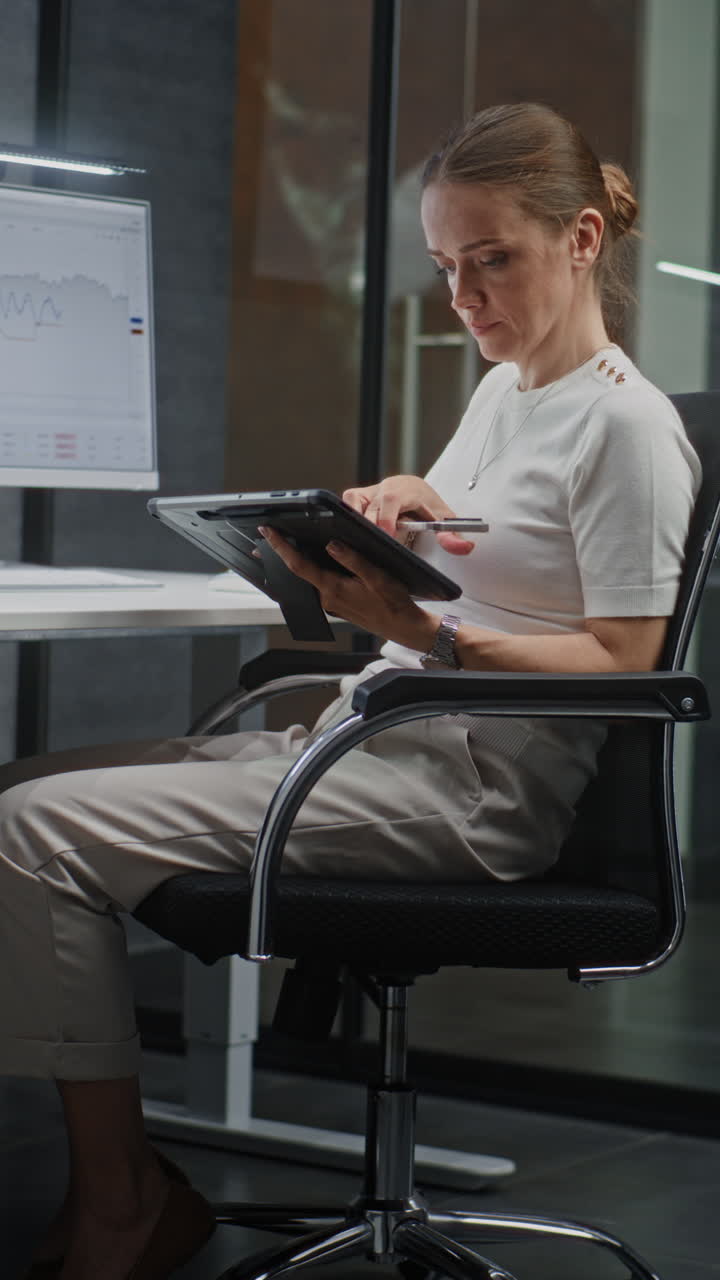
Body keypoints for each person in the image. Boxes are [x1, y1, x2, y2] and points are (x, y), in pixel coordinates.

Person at [1, 101, 700, 1280]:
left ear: (583, 240)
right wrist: (400, 498)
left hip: (471, 795)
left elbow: (630, 664)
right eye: (445, 266)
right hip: (383, 744)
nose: (465, 297)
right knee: (22, 787)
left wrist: (419, 632)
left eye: (494, 261)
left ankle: (125, 1204)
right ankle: (122, 1184)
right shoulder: (511, 391)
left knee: (22, 832)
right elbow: (491, 535)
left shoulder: (627, 425)